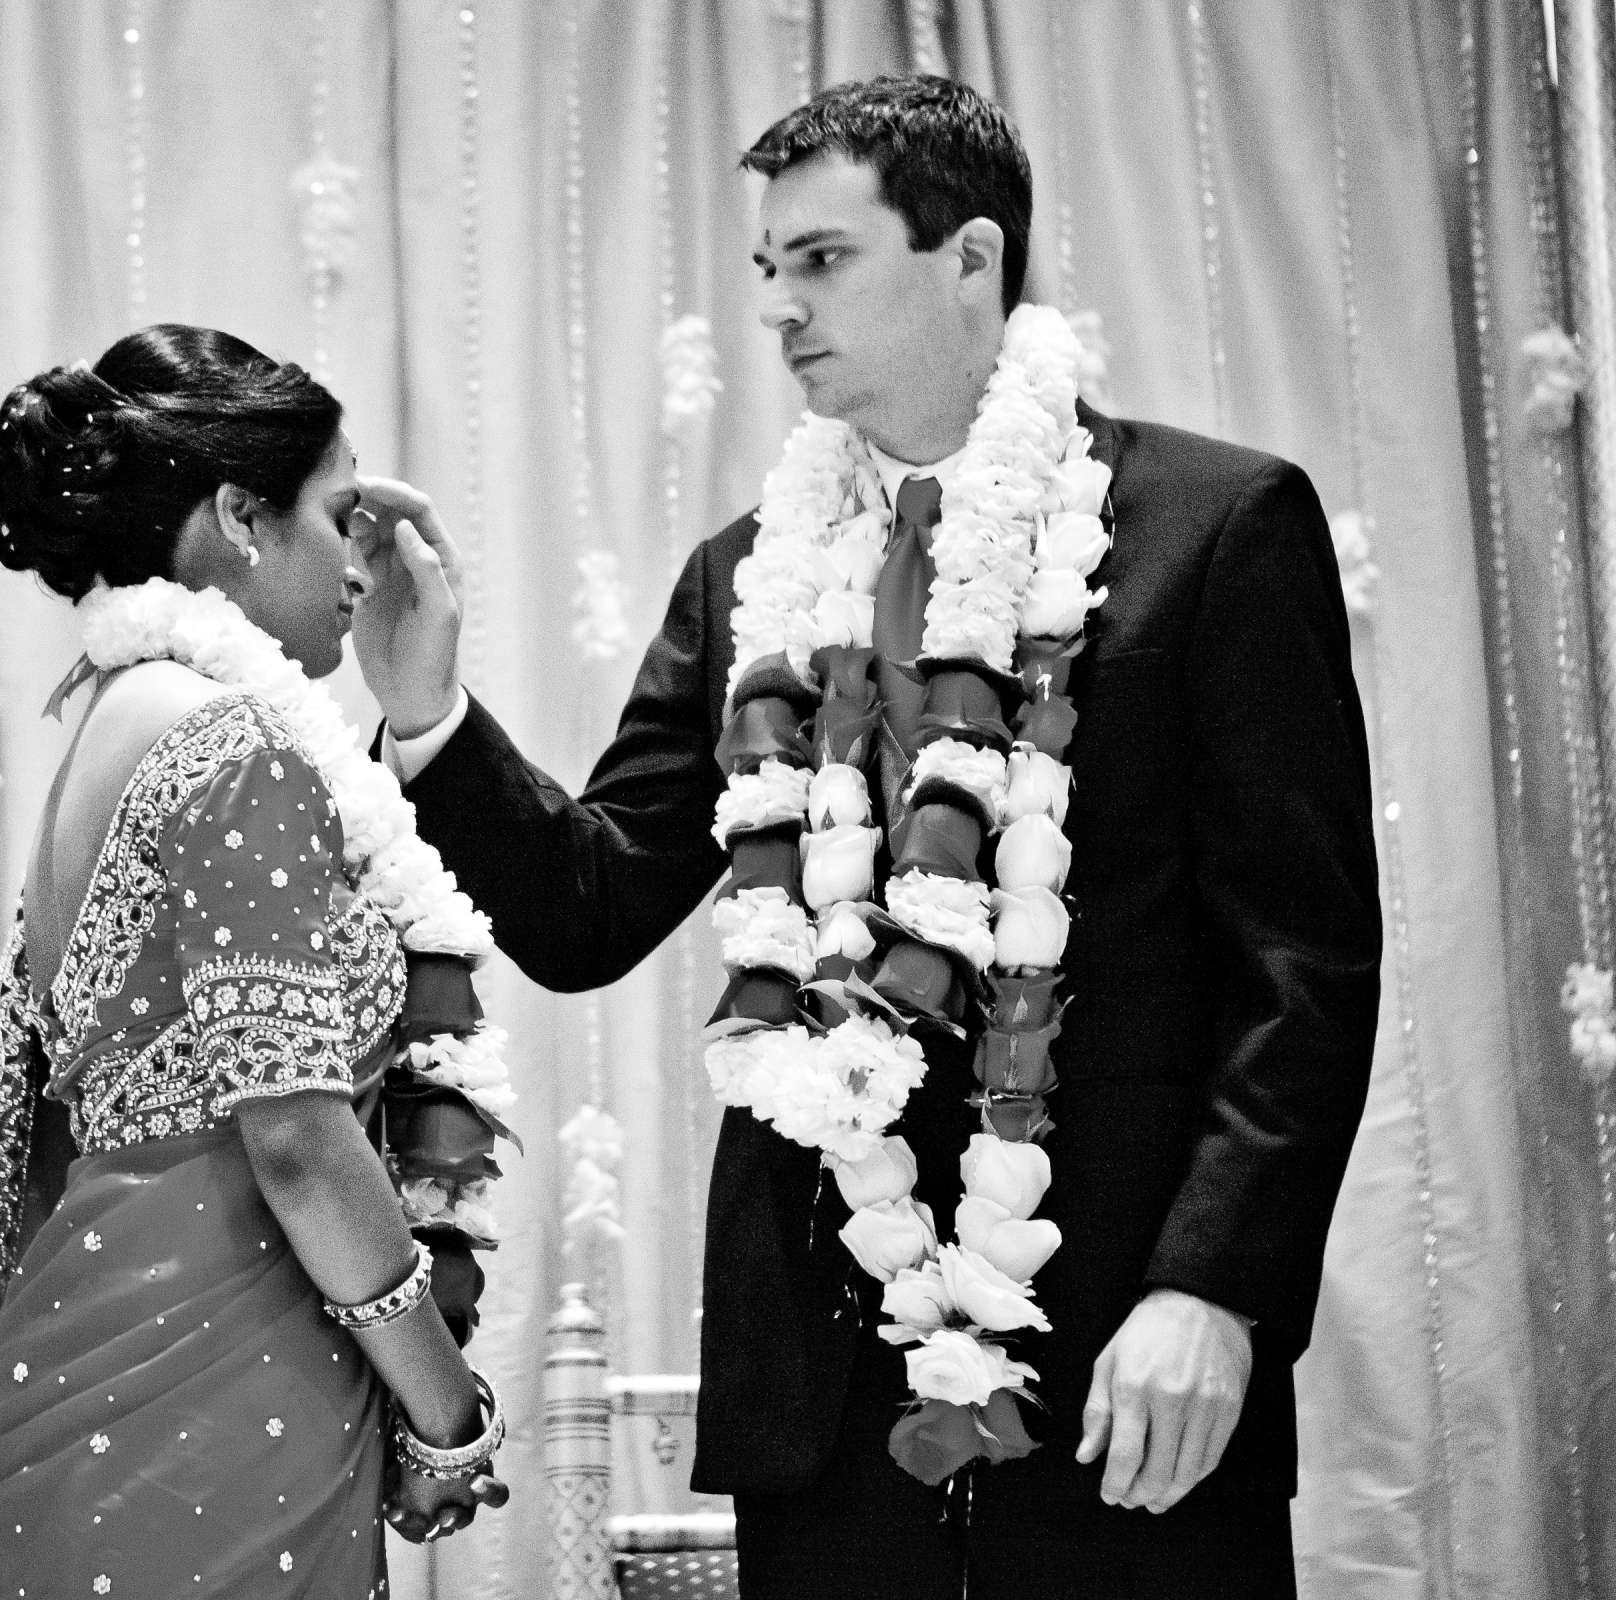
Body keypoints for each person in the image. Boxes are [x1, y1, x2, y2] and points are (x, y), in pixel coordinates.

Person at [351, 76, 1381, 1598]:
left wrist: (1216, 1291)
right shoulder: (747, 575)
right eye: (767, 267)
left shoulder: (1213, 527)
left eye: (821, 259)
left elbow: (1305, 964)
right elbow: (588, 911)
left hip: (1125, 1355)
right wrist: (429, 708)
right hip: (827, 1387)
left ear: (968, 259)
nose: (777, 305)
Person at [0, 325, 510, 1600]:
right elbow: (296, 1139)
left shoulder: (109, 725)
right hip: (208, 1405)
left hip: (89, 1375)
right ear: (241, 514)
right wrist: (446, 1411)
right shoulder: (237, 746)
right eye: (341, 513)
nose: (364, 564)